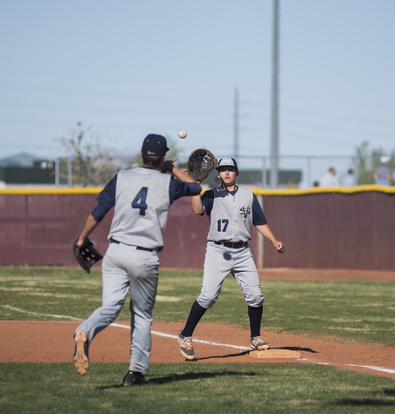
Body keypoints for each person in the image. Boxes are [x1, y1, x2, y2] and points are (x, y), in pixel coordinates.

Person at [72, 134, 202, 386]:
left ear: (141, 154)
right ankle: (135, 373)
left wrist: (80, 240)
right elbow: (197, 187)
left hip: (115, 252)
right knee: (141, 315)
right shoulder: (168, 183)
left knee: (110, 307)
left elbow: (98, 212)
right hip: (143, 255)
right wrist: (172, 169)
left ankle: (85, 331)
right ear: (163, 156)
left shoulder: (121, 177)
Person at [177, 157, 285, 360]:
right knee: (208, 297)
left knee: (255, 296)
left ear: (236, 173)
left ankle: (255, 337)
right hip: (218, 251)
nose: (226, 173)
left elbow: (259, 222)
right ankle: (185, 335)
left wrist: (274, 240)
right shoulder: (210, 195)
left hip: (243, 251)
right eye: (223, 170)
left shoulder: (248, 196)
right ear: (217, 174)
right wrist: (195, 188)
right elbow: (197, 210)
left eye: (230, 169)